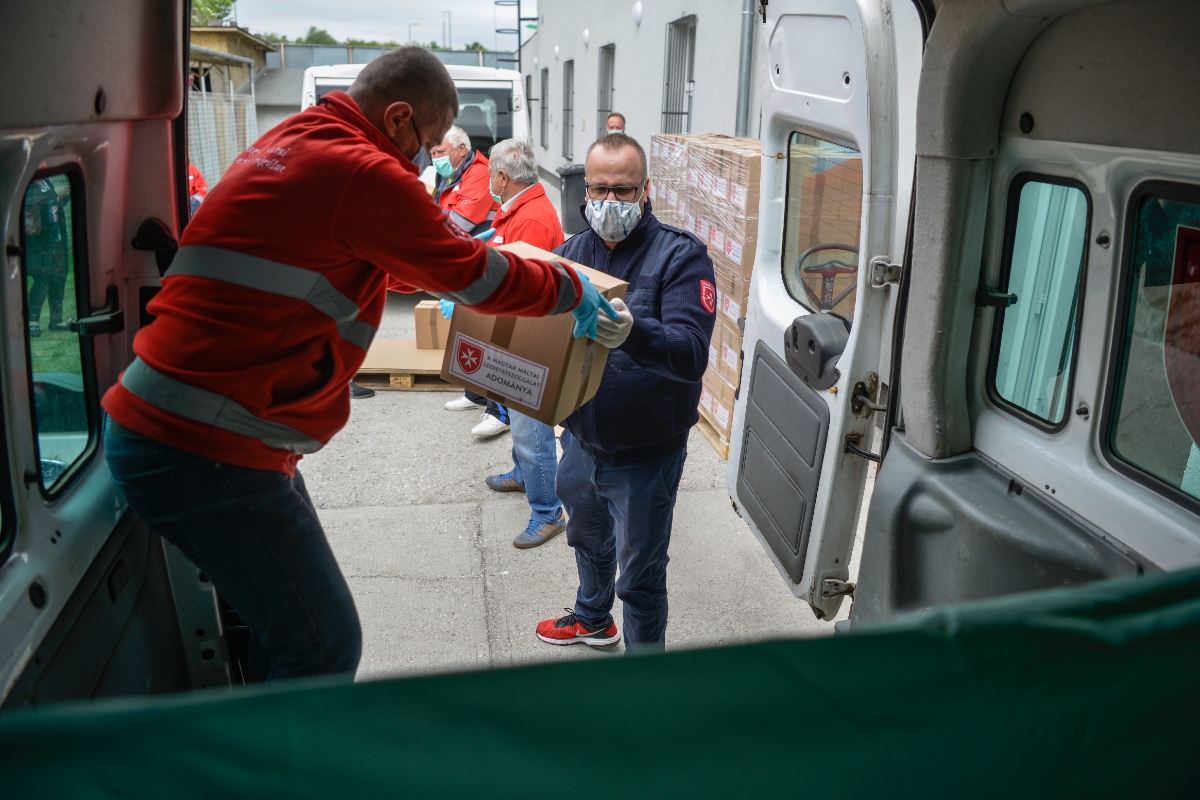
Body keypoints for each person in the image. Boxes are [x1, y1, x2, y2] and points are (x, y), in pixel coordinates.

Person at [101, 47, 614, 682]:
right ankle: (285, 745)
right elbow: (474, 276)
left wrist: (422, 262)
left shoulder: (292, 139)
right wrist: (569, 288)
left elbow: (361, 255)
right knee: (322, 644)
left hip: (193, 426)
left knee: (286, 628)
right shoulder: (362, 169)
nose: (425, 161)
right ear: (397, 118)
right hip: (201, 441)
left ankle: (270, 726)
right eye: (426, 142)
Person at [535, 133, 715, 650]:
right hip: (581, 441)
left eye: (623, 190)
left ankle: (644, 676)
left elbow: (690, 354)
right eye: (599, 189)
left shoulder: (680, 256)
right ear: (584, 190)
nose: (609, 201)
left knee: (640, 577)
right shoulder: (571, 254)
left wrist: (634, 333)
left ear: (645, 190)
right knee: (586, 540)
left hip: (645, 455)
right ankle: (593, 618)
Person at [445, 138, 569, 548]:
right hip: (516, 334)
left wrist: (470, 299)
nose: (489, 183)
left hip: (530, 340)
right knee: (519, 422)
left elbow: (522, 291)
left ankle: (548, 512)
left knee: (531, 429)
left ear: (502, 176)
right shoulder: (519, 207)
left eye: (490, 176)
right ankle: (523, 475)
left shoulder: (531, 218)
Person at [24, 177, 72, 337]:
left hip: (56, 239)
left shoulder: (46, 182)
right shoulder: (29, 183)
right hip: (39, 243)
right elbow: (28, 202)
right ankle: (32, 322)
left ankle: (56, 320)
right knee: (42, 280)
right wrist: (54, 193)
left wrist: (64, 196)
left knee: (59, 278)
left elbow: (53, 207)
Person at [431, 125, 499, 236]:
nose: (436, 158)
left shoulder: (480, 175)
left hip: (477, 243)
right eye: (433, 153)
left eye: (441, 152)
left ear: (462, 149)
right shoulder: (449, 175)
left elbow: (458, 224)